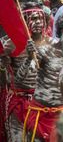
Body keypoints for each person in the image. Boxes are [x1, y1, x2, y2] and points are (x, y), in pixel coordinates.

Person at [21, 12, 63, 142]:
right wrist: (28, 58)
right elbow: (20, 79)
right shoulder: (46, 51)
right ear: (62, 31)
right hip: (41, 115)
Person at [5, 7, 47, 142]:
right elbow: (15, 81)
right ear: (24, 21)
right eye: (34, 18)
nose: (39, 22)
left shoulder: (53, 44)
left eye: (41, 18)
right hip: (19, 103)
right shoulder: (11, 44)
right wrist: (29, 58)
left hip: (44, 104)